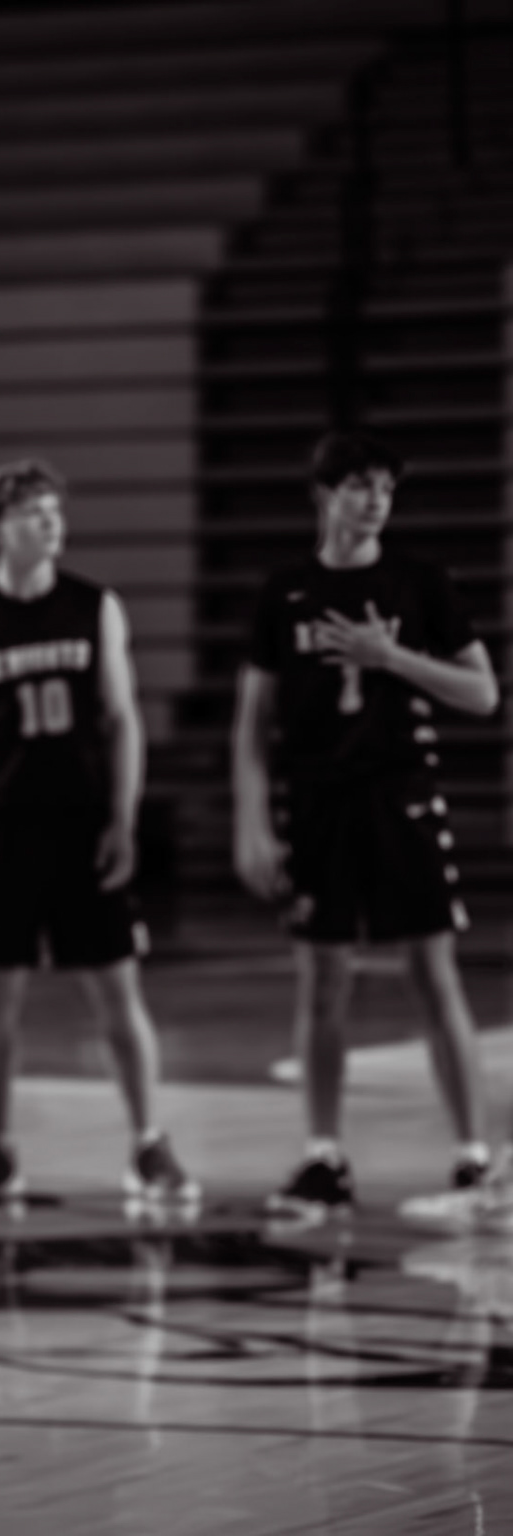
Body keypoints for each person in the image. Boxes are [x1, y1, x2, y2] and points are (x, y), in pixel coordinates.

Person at [233, 431, 499, 1214]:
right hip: (318, 804)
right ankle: (324, 1157)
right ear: (325, 494)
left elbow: (482, 693)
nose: (376, 497)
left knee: (432, 971)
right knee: (323, 983)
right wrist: (253, 823)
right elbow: (252, 725)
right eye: (359, 484)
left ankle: (475, 1157)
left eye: (385, 485)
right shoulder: (285, 591)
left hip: (402, 796)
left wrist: (394, 659)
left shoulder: (421, 583)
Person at [0, 459, 196, 1208]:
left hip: (81, 828)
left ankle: (148, 1143)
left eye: (53, 509)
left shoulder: (94, 606)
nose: (49, 520)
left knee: (117, 993)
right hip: (3, 831)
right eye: (30, 511)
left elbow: (122, 720)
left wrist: (123, 818)